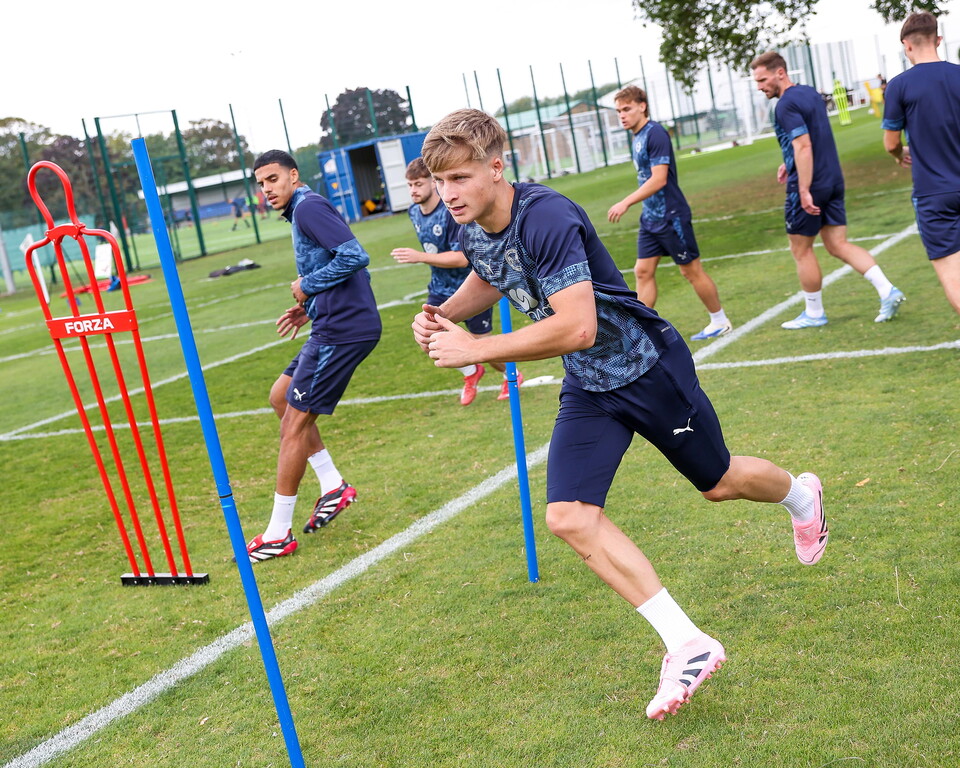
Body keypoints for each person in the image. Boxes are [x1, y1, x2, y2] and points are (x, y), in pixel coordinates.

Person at [412, 109, 829, 720]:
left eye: (460, 178)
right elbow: (492, 274)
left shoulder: (546, 215)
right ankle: (686, 642)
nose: (447, 194)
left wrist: (476, 348)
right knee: (568, 518)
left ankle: (800, 496)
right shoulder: (471, 225)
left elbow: (578, 326)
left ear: (497, 167)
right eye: (438, 181)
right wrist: (447, 312)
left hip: (647, 369)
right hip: (590, 385)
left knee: (719, 483)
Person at [242, 149, 382, 563]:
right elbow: (351, 268)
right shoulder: (303, 210)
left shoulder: (308, 208)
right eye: (261, 183)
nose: (266, 189)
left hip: (342, 331)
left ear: (293, 176)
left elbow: (356, 256)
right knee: (280, 397)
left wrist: (307, 285)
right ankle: (333, 484)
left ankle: (278, 533)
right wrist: (311, 305)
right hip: (331, 323)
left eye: (272, 179)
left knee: (293, 426)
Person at [750, 51, 905, 328]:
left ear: (780, 73)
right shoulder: (810, 94)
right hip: (833, 178)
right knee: (837, 244)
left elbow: (804, 145)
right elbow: (809, 138)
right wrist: (788, 163)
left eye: (762, 79)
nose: (760, 86)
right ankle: (887, 290)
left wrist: (805, 188)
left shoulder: (784, 105)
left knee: (801, 250)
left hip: (810, 183)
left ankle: (813, 313)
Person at [607, 86, 732, 341]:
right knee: (642, 271)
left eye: (627, 109)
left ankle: (720, 320)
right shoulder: (637, 136)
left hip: (671, 215)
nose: (622, 115)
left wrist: (626, 202)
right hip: (650, 218)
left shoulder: (656, 134)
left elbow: (659, 179)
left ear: (642, 106)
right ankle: (641, 333)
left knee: (690, 270)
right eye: (619, 110)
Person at [392, 157, 521, 404]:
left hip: (469, 287)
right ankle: (471, 373)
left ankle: (511, 373)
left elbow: (462, 258)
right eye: (409, 186)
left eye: (418, 184)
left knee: (480, 344)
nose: (413, 191)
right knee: (428, 336)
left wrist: (421, 257)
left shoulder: (451, 211)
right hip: (440, 288)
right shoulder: (413, 212)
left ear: (432, 183)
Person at [882, 11, 960, 316]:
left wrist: (898, 154)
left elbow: (890, 143)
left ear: (906, 46)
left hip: (934, 194)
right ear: (939, 40)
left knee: (954, 278)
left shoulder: (899, 86)